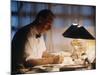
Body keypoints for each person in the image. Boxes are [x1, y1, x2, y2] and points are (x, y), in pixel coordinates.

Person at [11, 9, 63, 74]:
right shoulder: (26, 33)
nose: (50, 27)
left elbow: (42, 52)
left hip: (33, 69)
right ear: (40, 19)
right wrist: (52, 60)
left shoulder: (39, 33)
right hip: (21, 71)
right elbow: (28, 62)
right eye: (48, 23)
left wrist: (54, 56)